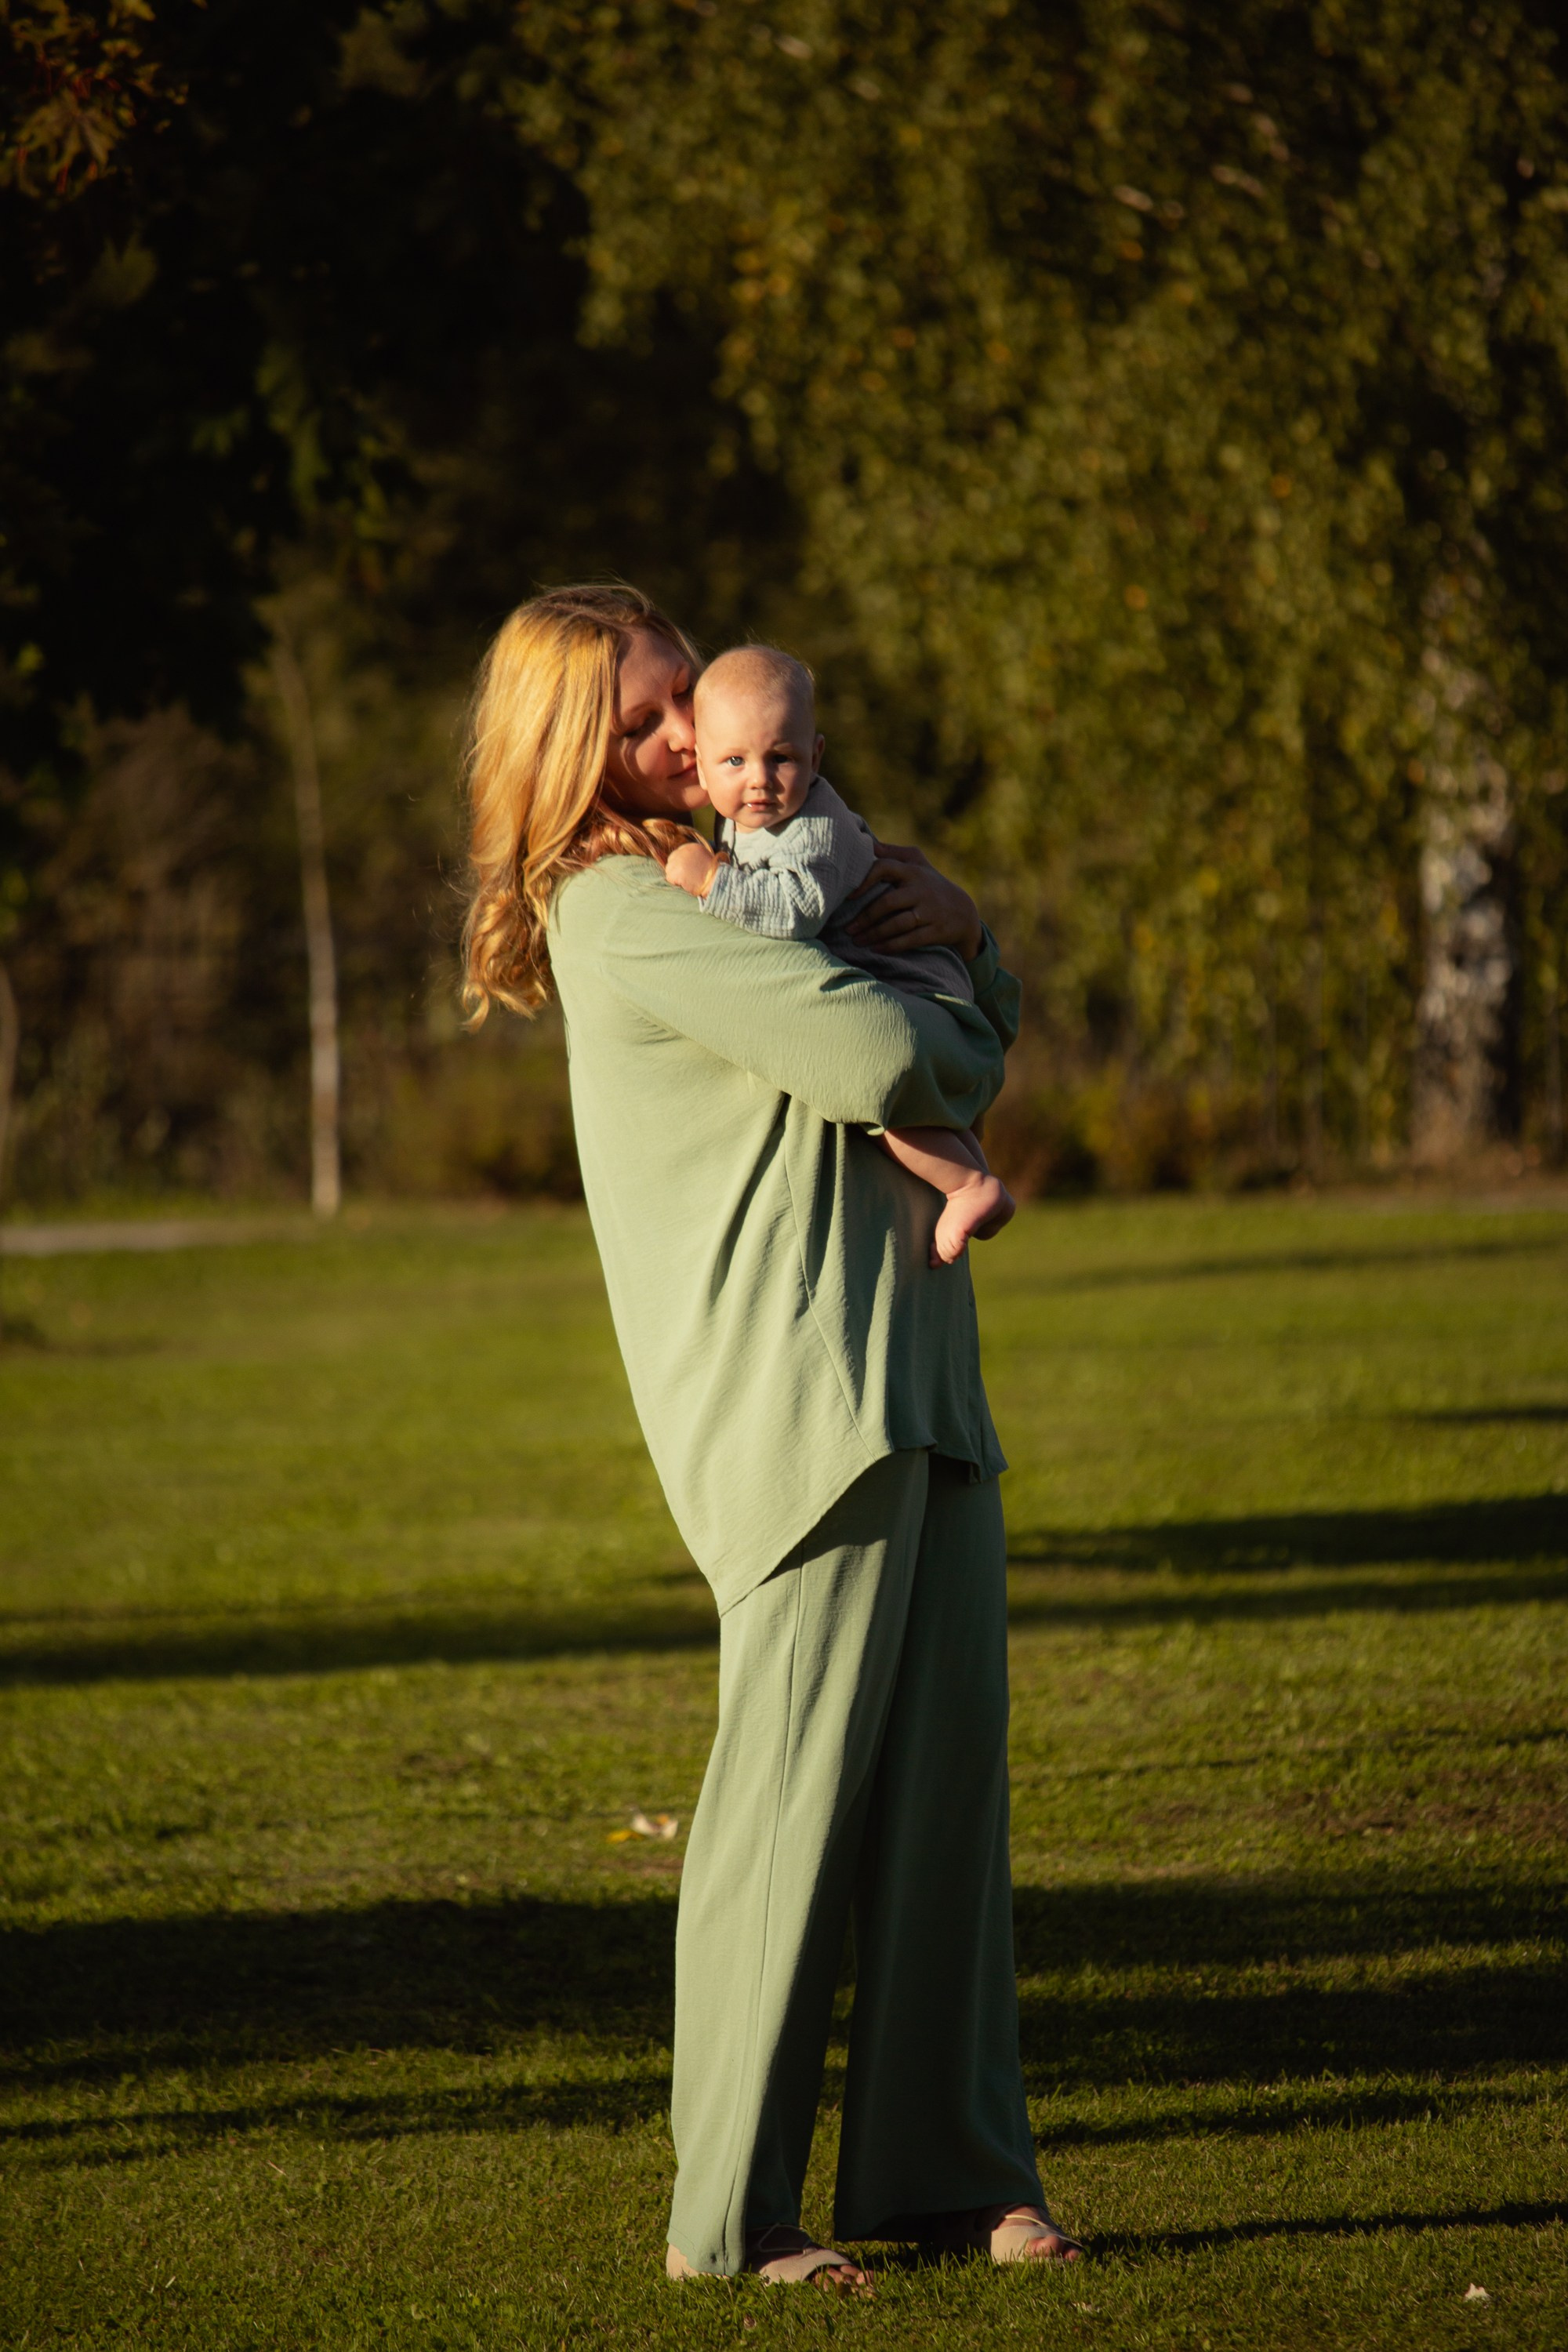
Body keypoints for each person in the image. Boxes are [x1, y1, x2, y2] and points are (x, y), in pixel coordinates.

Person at [462, 583, 1082, 2289]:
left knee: (945, 1813)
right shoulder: (620, 908)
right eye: (647, 720)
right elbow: (883, 1049)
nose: (690, 740)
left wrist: (964, 958)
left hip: (920, 1379)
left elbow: (959, 1039)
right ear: (574, 749)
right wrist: (955, 976)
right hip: (800, 1406)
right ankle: (727, 2223)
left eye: (687, 698)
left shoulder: (751, 867)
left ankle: (954, 2176)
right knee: (785, 1818)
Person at [662, 643, 1014, 1267]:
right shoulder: (747, 819)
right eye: (735, 760)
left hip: (909, 978)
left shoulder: (814, 827)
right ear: (703, 769)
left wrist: (713, 882)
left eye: (781, 757)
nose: (759, 779)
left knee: (881, 1102)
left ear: (816, 757)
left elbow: (793, 912)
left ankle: (967, 1184)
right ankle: (974, 1168)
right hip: (899, 979)